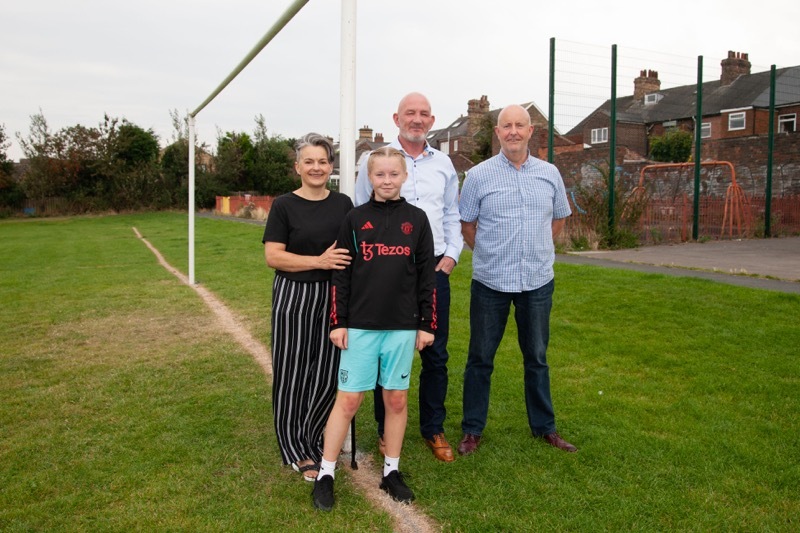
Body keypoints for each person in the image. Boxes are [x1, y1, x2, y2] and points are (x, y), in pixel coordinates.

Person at [312, 147, 437, 511]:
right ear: (370, 178)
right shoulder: (354, 219)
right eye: (379, 175)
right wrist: (339, 321)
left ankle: (391, 471)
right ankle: (326, 473)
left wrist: (427, 324)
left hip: (401, 326)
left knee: (396, 399)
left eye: (393, 174)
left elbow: (426, 277)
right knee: (349, 399)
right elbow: (342, 273)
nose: (386, 181)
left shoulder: (418, 220)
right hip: (361, 326)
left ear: (404, 177)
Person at [456, 105, 577, 456]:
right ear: (498, 132)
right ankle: (472, 430)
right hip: (491, 282)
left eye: (519, 125)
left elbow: (558, 218)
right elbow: (467, 224)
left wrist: (537, 250)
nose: (513, 131)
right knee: (480, 357)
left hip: (537, 282)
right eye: (506, 126)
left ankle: (545, 428)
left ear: (530, 130)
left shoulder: (549, 173)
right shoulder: (478, 176)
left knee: (536, 357)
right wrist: (490, 253)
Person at [354, 92, 462, 463]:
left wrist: (450, 256)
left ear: (432, 121)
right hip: (386, 270)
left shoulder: (445, 164)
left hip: (432, 268)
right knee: (387, 353)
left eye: (424, 114)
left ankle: (433, 428)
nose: (417, 119)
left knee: (435, 352)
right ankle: (386, 431)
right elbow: (359, 213)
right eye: (409, 113)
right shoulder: (373, 160)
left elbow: (451, 214)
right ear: (396, 118)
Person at [262, 133, 353, 481]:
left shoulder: (344, 204)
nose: (316, 167)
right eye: (309, 161)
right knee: (292, 372)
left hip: (333, 297)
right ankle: (295, 447)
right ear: (297, 166)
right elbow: (273, 256)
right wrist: (320, 260)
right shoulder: (284, 205)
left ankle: (314, 438)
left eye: (323, 161)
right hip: (294, 296)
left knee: (329, 373)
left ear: (331, 166)